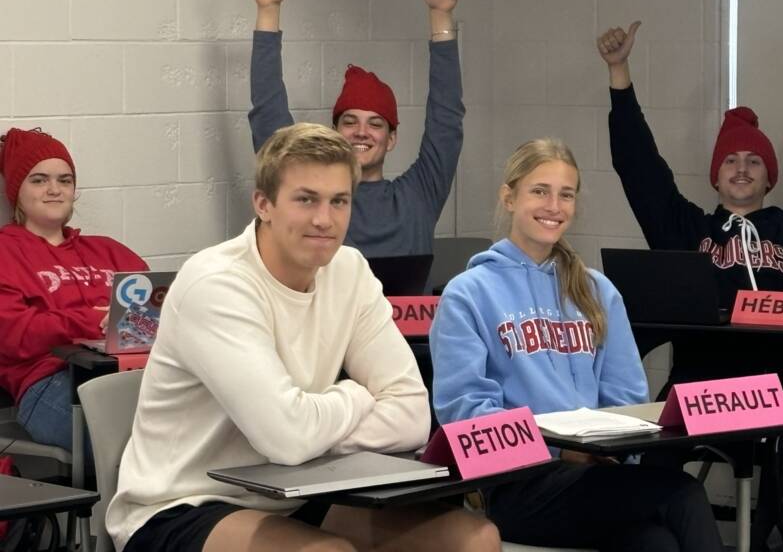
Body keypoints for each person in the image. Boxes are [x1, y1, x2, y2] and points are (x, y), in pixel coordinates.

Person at [107, 123, 497, 552]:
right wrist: (355, 396)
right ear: (263, 204)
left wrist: (304, 430)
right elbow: (288, 438)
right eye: (306, 199)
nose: (324, 220)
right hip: (183, 504)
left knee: (472, 538)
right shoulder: (217, 285)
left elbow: (410, 414)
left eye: (339, 201)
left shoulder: (349, 270)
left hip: (299, 491)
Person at [597, 23, 783, 552]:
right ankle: (648, 536)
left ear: (770, 178)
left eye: (754, 161)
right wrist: (619, 78)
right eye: (731, 161)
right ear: (716, 177)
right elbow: (641, 170)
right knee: (654, 450)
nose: (742, 169)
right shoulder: (686, 230)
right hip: (707, 378)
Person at [430, 138, 724, 552]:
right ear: (508, 197)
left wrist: (607, 452)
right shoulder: (468, 294)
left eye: (565, 195)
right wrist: (562, 449)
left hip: (595, 474)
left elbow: (627, 397)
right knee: (683, 494)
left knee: (654, 543)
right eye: (539, 191)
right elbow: (465, 411)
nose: (554, 206)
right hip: (518, 486)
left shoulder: (596, 290)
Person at [248, 0, 465, 257]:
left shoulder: (417, 195)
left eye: (375, 123)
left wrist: (440, 16)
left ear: (391, 138)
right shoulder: (313, 201)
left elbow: (446, 118)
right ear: (335, 133)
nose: (361, 131)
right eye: (350, 122)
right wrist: (268, 10)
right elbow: (268, 117)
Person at [0, 127, 147, 454]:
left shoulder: (111, 251)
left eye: (64, 180)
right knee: (139, 447)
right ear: (16, 191)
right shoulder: (5, 252)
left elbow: (162, 307)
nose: (54, 190)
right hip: (51, 382)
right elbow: (13, 335)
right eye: (39, 180)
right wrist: (92, 322)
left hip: (137, 374)